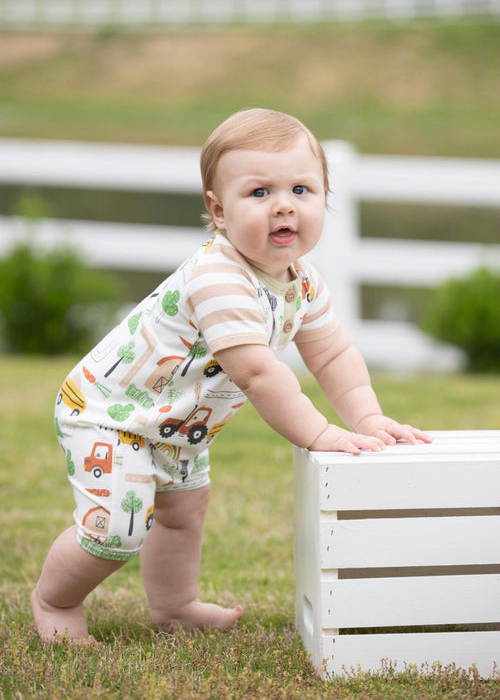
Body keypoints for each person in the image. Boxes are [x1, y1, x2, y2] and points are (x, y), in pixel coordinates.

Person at [31, 108, 431, 644]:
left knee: (182, 514)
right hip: (110, 415)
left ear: (324, 199)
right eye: (260, 192)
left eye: (302, 189)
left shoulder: (303, 282)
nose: (284, 204)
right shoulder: (218, 278)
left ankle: (174, 606)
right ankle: (54, 600)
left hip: (177, 425)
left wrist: (368, 416)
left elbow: (332, 353)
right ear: (219, 210)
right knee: (117, 529)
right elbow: (259, 373)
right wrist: (320, 434)